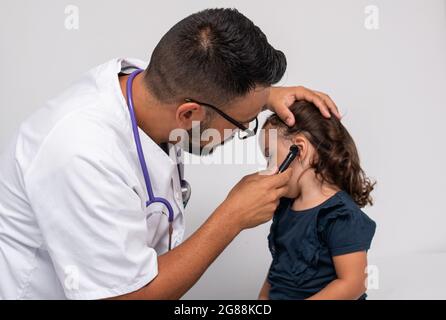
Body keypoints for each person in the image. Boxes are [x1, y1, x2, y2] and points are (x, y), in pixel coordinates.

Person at [0, 8, 340, 299]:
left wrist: (264, 97)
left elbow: (207, 84)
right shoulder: (80, 155)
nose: (241, 133)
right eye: (243, 123)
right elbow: (127, 295)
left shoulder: (157, 82)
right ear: (189, 114)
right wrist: (231, 216)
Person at [258, 100, 376, 300]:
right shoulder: (285, 208)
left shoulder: (339, 215)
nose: (267, 168)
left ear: (300, 149)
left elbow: (353, 283)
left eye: (270, 156)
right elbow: (279, 267)